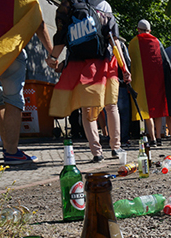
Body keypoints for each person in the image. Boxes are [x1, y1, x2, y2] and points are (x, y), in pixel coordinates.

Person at [48, 0, 129, 162]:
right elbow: (114, 39)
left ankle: (96, 152)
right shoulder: (104, 6)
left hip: (81, 65)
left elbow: (62, 36)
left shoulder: (71, 5)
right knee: (111, 106)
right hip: (106, 62)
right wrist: (124, 67)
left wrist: (52, 57)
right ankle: (116, 147)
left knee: (88, 109)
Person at [0, 0, 53, 164]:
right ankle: (12, 152)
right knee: (13, 99)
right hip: (9, 51)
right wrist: (51, 54)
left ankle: (8, 147)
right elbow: (39, 25)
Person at [129, 19, 171, 147]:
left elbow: (129, 63)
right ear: (150, 30)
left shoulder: (133, 43)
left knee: (145, 110)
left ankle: (153, 138)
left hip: (141, 82)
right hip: (157, 81)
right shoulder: (156, 41)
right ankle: (159, 138)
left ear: (138, 29)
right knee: (158, 109)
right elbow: (164, 61)